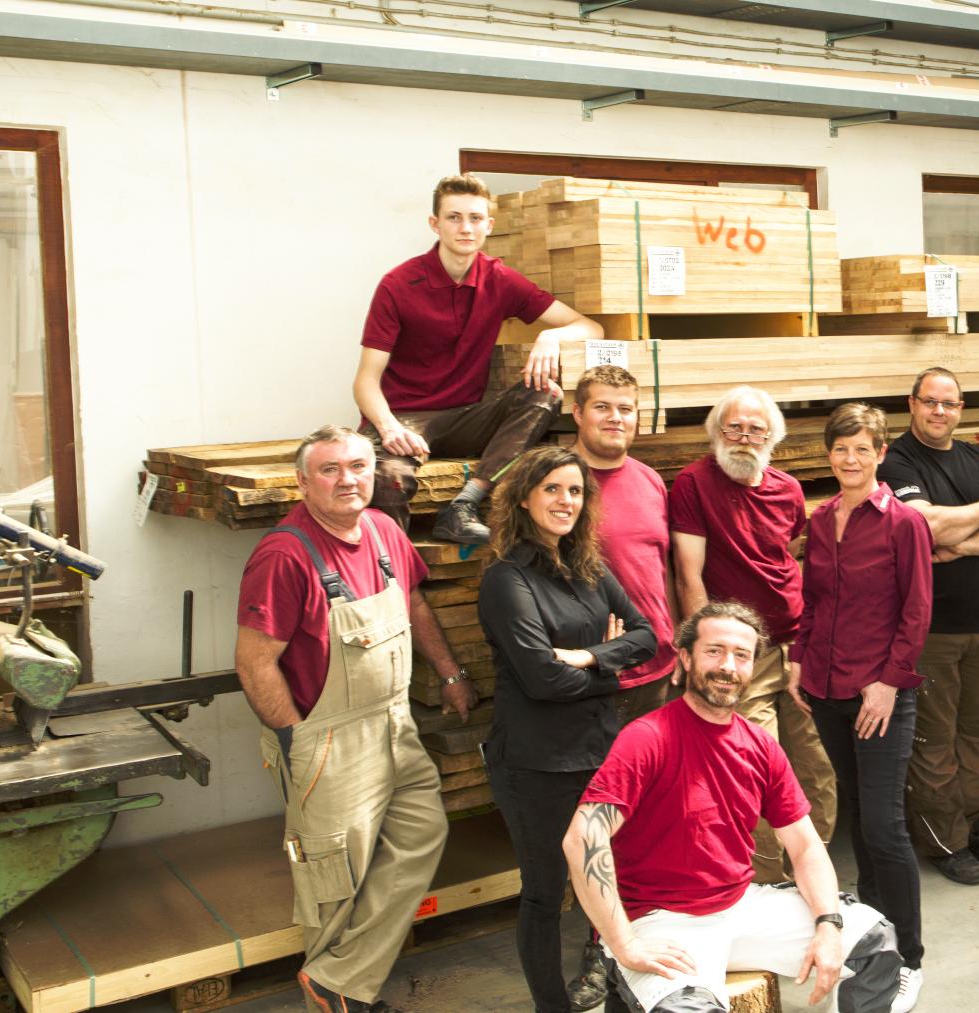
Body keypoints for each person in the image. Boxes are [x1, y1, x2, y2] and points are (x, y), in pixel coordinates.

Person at [563, 602, 905, 1013]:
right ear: (686, 658)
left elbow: (805, 847)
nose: (728, 665)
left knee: (874, 941)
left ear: (752, 667)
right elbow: (584, 836)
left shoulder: (760, 745)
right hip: (659, 921)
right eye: (714, 651)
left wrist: (828, 926)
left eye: (741, 655)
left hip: (740, 905)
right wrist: (623, 943)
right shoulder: (647, 738)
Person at [235, 425, 474, 1013]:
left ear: (375, 473)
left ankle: (336, 976)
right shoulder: (284, 554)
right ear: (302, 481)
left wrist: (447, 671)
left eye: (358, 466)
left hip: (394, 724)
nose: (348, 479)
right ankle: (340, 995)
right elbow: (254, 662)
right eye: (330, 469)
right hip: (328, 737)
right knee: (333, 880)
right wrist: (299, 741)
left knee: (421, 835)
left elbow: (413, 603)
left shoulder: (385, 531)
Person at [476, 446, 658, 1013]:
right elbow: (541, 681)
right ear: (525, 498)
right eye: (552, 488)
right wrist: (610, 666)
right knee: (546, 892)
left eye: (575, 491)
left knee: (611, 880)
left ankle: (623, 990)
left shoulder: (591, 570)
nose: (565, 501)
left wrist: (584, 657)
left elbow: (649, 635)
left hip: (599, 753)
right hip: (537, 764)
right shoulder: (508, 581)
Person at [354, 174, 604, 544]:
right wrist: (390, 428)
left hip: (465, 417)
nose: (465, 228)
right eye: (454, 218)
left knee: (543, 393)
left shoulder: (499, 279)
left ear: (489, 224)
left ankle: (463, 506)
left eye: (475, 218)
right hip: (404, 419)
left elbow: (589, 327)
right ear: (435, 224)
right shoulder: (399, 285)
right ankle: (396, 578)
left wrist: (551, 336)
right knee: (388, 480)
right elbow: (365, 381)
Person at [791, 403, 932, 1012]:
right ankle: (874, 936)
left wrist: (889, 682)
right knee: (856, 821)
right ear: (830, 456)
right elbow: (816, 601)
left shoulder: (904, 524)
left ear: (881, 454)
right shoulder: (821, 521)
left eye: (861, 449)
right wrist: (800, 656)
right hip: (826, 689)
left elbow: (917, 611)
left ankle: (910, 959)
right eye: (840, 449)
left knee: (884, 826)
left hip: (880, 696)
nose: (850, 459)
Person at [670, 386, 837, 884]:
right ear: (716, 432)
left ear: (773, 438)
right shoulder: (694, 484)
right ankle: (765, 886)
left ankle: (814, 874)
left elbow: (785, 558)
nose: (744, 438)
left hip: (799, 647)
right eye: (734, 427)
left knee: (817, 767)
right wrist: (710, 655)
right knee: (752, 771)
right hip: (746, 655)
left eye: (756, 430)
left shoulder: (786, 490)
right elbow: (688, 576)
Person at [877, 367, 979, 886]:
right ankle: (947, 841)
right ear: (912, 403)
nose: (940, 411)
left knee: (978, 734)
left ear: (961, 409)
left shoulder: (977, 456)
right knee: (935, 744)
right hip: (929, 633)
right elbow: (923, 524)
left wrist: (960, 543)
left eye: (950, 403)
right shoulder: (896, 459)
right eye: (931, 401)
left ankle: (978, 823)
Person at [563, 364, 681, 1011]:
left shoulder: (648, 479)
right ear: (577, 412)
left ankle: (641, 935)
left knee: (646, 819)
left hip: (657, 676)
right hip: (596, 681)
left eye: (626, 408)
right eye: (603, 407)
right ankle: (597, 951)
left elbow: (658, 568)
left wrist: (680, 641)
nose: (616, 418)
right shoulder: (561, 482)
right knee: (595, 822)